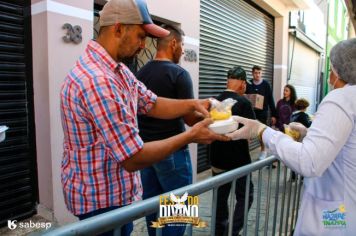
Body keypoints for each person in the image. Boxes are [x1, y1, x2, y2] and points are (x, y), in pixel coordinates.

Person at [60, 1, 228, 235]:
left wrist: (193, 103)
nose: (143, 45)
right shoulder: (98, 80)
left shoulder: (120, 71)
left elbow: (152, 103)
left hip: (118, 193)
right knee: (176, 215)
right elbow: (132, 157)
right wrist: (190, 136)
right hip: (103, 203)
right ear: (118, 29)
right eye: (140, 36)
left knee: (156, 215)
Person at [226, 38, 356, 235]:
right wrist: (308, 134)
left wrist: (262, 132)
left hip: (334, 217)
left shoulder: (340, 99)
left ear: (342, 73)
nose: (329, 78)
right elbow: (345, 142)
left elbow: (309, 160)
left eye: (332, 70)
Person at [136, 24, 194, 236]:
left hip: (147, 153)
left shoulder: (140, 73)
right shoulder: (179, 74)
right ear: (173, 44)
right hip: (173, 154)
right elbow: (189, 118)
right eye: (182, 45)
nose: (183, 50)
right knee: (177, 214)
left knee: (153, 211)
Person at [210, 66, 255, 236]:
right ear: (243, 84)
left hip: (217, 160)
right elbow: (250, 133)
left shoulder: (215, 101)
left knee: (220, 199)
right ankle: (233, 230)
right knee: (245, 196)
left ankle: (219, 232)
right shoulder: (243, 103)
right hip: (239, 162)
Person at [246, 65, 277, 160]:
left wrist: (274, 115)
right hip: (251, 112)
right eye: (255, 73)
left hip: (263, 113)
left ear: (261, 73)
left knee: (261, 133)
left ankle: (263, 151)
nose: (257, 75)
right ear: (252, 73)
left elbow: (271, 100)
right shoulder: (248, 84)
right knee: (247, 132)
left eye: (259, 73)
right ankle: (245, 153)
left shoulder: (266, 84)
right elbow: (244, 96)